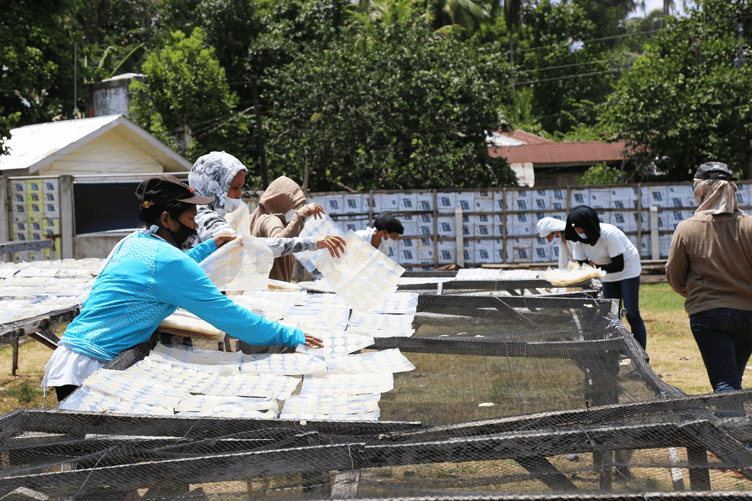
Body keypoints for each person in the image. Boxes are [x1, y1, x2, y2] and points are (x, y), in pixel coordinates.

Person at [42, 175, 323, 402]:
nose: (195, 227)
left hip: (71, 356)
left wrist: (210, 247)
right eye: (190, 221)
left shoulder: (135, 241)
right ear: (166, 220)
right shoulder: (168, 261)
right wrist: (291, 335)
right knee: (95, 459)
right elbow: (231, 318)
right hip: (93, 368)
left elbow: (168, 270)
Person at [666, 161, 752, 394]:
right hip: (748, 315)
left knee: (725, 383)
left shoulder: (687, 228)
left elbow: (674, 276)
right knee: (733, 377)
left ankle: (732, 429)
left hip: (708, 314)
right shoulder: (749, 225)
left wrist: (694, 293)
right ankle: (738, 426)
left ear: (701, 191)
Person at [186, 151, 345, 258]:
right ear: (215, 186)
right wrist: (313, 242)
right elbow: (250, 247)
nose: (239, 195)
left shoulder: (197, 211)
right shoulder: (205, 218)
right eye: (234, 188)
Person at [565, 205, 646, 349]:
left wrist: (593, 269)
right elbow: (583, 266)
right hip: (606, 273)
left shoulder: (609, 234)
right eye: (575, 230)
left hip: (627, 270)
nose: (578, 233)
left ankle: (641, 355)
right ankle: (616, 352)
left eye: (580, 229)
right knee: (611, 315)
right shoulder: (578, 241)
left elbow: (618, 265)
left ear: (589, 226)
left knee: (631, 313)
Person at [248, 176, 326, 282]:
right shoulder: (270, 220)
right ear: (281, 201)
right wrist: (301, 215)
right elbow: (281, 243)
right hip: (272, 292)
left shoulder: (253, 219)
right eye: (293, 206)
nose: (293, 211)